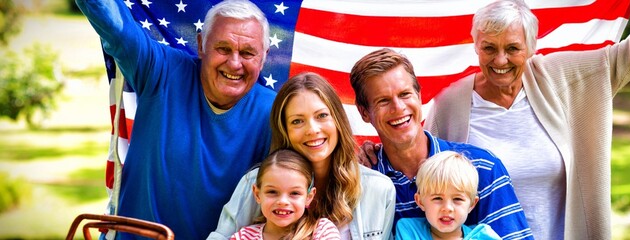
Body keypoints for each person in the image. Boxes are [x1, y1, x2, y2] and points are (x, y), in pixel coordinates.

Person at [423, 0, 630, 239]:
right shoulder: (450, 104)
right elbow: (421, 173)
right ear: (476, 47)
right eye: (489, 48)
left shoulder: (556, 78)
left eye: (512, 48)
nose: (500, 60)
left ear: (530, 49)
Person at [75, 0, 277, 238]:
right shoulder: (161, 70)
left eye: (247, 53)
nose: (234, 63)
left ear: (264, 57)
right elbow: (112, 23)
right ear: (201, 44)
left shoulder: (276, 113)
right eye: (223, 48)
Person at [350, 48, 532, 239]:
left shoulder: (482, 167)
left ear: (419, 96)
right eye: (383, 101)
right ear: (364, 113)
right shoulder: (363, 182)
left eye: (405, 94)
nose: (399, 108)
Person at [209, 72, 396, 240]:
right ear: (285, 130)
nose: (312, 130)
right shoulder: (256, 181)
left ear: (338, 120)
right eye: (297, 121)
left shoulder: (379, 190)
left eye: (322, 116)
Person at [231, 149, 340, 240]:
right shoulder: (243, 236)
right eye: (272, 192)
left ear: (309, 197)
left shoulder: (322, 231)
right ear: (257, 194)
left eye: (294, 193)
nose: (283, 201)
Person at [395, 151, 501, 240]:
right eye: (437, 198)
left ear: (472, 204)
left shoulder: (483, 236)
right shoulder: (409, 231)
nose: (447, 208)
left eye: (457, 199)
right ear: (420, 201)